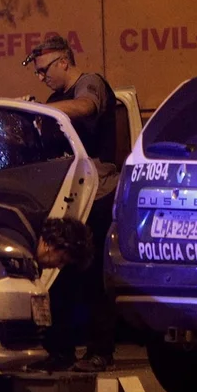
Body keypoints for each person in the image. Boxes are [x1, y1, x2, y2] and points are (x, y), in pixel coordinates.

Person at [23, 34, 119, 373]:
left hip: (98, 194)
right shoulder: (54, 98)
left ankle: (99, 352)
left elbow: (85, 107)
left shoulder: (90, 85)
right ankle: (60, 351)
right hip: (68, 200)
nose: (42, 76)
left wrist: (43, 110)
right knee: (59, 274)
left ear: (64, 61)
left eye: (44, 68)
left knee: (94, 276)